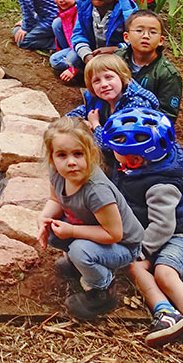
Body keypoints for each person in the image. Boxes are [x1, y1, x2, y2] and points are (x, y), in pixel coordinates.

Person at [100, 108, 183, 363]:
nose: (112, 152)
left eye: (117, 149)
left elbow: (163, 225)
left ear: (134, 159)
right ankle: (166, 313)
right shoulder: (138, 166)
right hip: (154, 233)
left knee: (164, 273)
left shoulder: (161, 185)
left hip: (180, 236)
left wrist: (144, 250)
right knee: (133, 267)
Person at [37, 116, 145, 320]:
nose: (71, 162)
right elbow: (55, 200)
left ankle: (103, 289)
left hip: (124, 245)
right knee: (54, 232)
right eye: (62, 155)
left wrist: (72, 232)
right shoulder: (57, 173)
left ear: (92, 153)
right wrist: (44, 218)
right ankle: (82, 265)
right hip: (93, 231)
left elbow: (114, 233)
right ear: (52, 158)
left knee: (79, 250)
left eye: (78, 154)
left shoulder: (97, 191)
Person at [65, 0, 138, 79]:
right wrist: (87, 56)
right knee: (62, 60)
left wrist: (115, 49)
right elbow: (78, 34)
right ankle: (89, 72)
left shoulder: (127, 13)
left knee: (120, 67)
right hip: (94, 51)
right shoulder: (85, 7)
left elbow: (135, 41)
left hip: (118, 54)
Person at [116, 11, 183, 123]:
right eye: (139, 31)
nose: (146, 36)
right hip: (113, 117)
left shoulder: (168, 74)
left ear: (161, 40)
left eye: (152, 32)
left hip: (145, 125)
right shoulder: (117, 59)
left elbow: (168, 115)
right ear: (126, 37)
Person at [67, 53, 159, 131]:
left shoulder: (136, 105)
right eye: (97, 81)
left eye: (109, 77)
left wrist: (95, 125)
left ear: (122, 77)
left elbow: (115, 145)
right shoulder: (99, 98)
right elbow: (71, 117)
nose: (104, 84)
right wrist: (82, 122)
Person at [46, 0, 88, 82]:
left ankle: (82, 69)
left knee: (55, 61)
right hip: (73, 45)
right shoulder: (68, 9)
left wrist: (73, 68)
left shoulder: (82, 12)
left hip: (85, 48)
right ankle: (66, 54)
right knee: (57, 23)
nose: (60, 0)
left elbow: (87, 41)